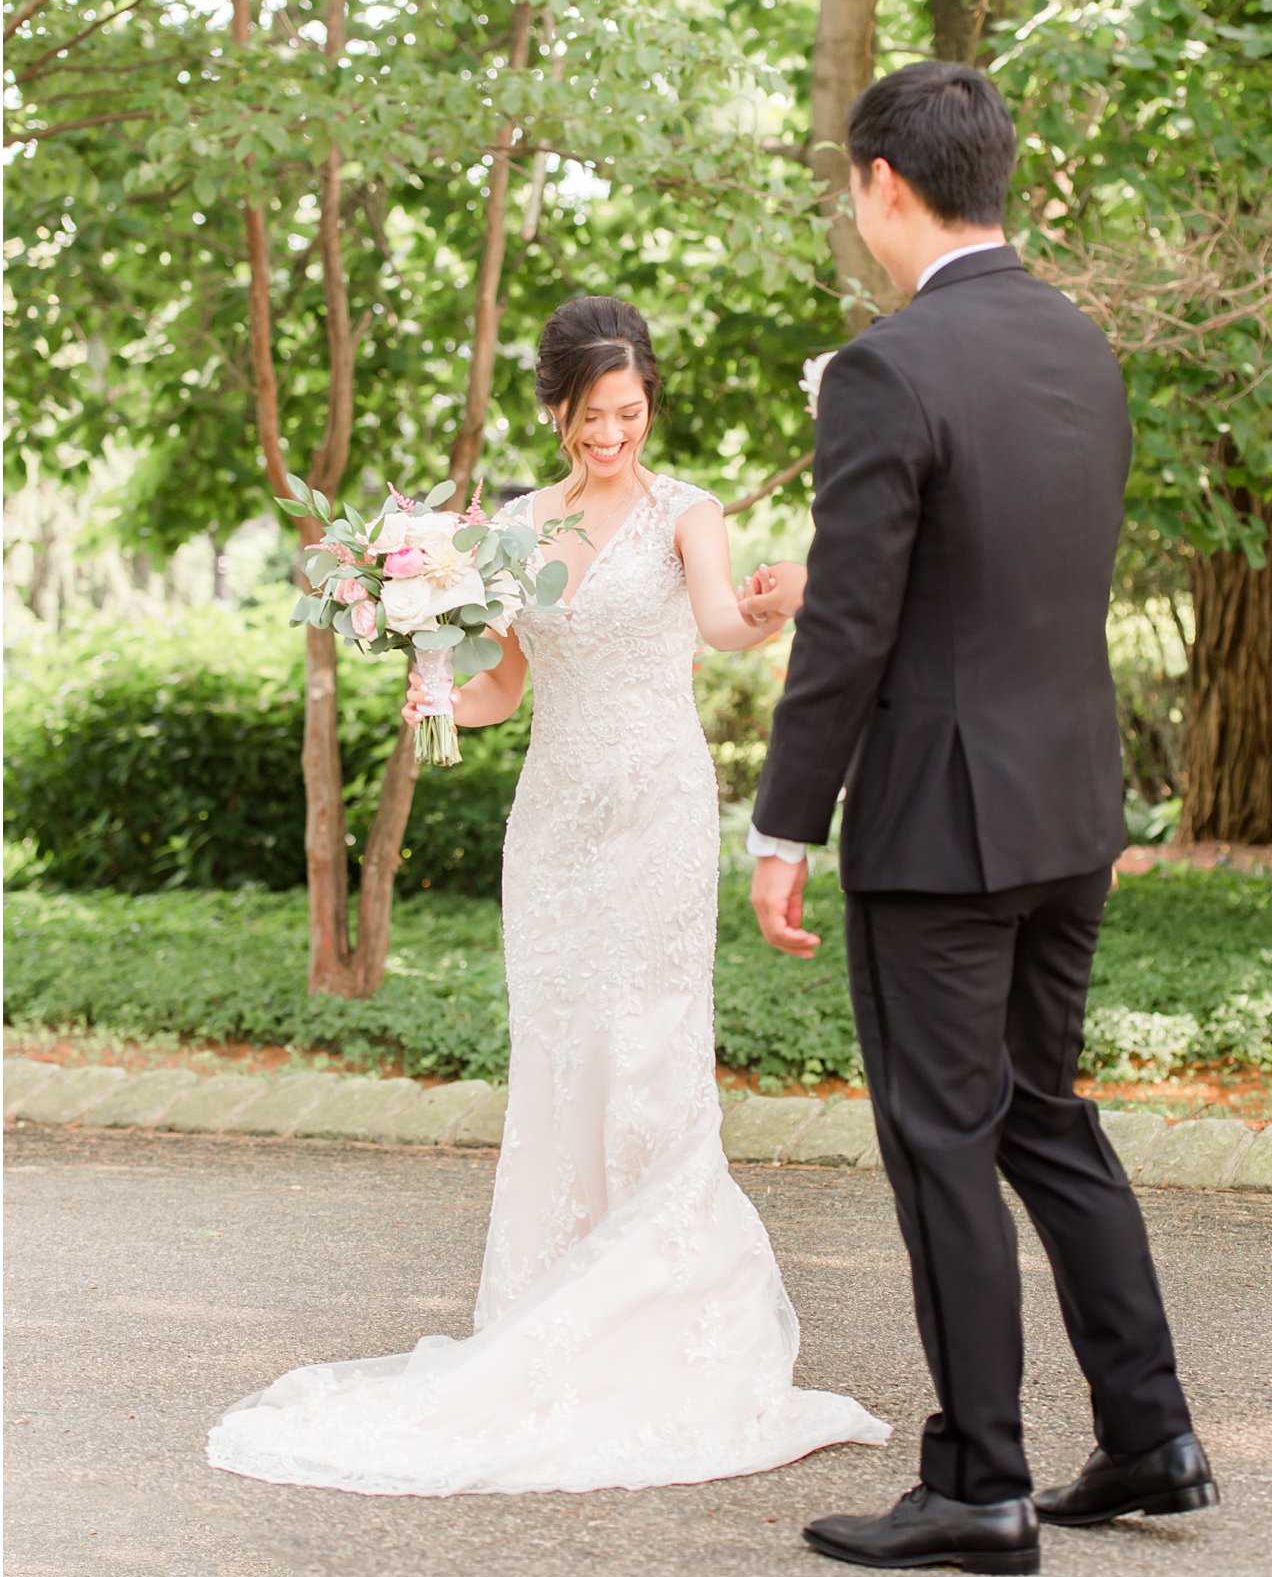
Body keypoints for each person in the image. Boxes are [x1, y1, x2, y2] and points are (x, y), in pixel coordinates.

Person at [207, 295, 888, 1496]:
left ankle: (667, 1309)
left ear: (645, 408)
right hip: (557, 821)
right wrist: (422, 655)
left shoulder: (690, 512)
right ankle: (553, 1304)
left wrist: (780, 603)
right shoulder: (515, 529)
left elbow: (724, 629)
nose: (610, 434)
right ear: (556, 408)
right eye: (590, 415)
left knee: (651, 1048)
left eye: (628, 414)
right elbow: (501, 692)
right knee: (566, 1050)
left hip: (660, 810)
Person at [743, 62, 1215, 1576]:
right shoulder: (1080, 346)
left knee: (942, 1138)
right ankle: (1150, 1435)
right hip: (1072, 802)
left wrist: (781, 821)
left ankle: (979, 1482)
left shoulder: (889, 367)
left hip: (941, 828)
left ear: (886, 182)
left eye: (850, 187)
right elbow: (1001, 571)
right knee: (1040, 1115)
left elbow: (854, 636)